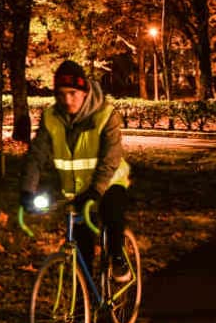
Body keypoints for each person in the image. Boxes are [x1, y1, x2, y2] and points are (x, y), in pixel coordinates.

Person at [19, 60, 132, 282]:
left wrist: (97, 190)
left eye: (72, 93)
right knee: (82, 252)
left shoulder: (105, 115)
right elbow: (37, 154)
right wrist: (27, 189)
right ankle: (84, 309)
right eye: (60, 94)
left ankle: (118, 257)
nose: (67, 100)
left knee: (111, 214)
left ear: (85, 91)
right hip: (77, 190)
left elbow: (111, 157)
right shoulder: (51, 117)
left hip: (109, 183)